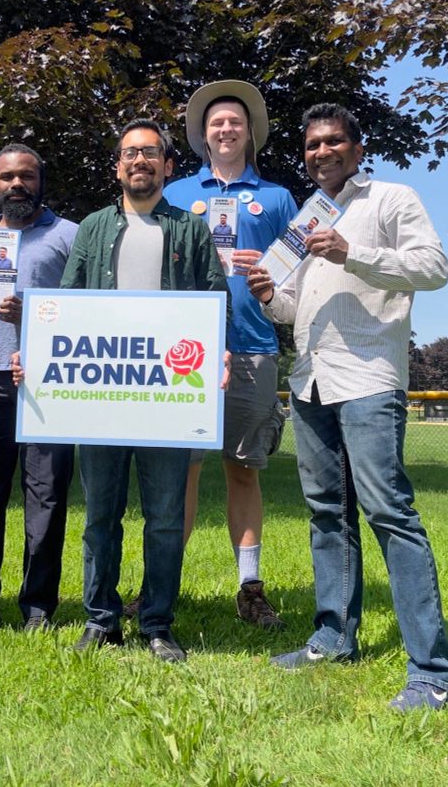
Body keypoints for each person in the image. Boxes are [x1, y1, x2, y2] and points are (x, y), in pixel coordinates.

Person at [247, 103, 448, 712]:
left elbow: (434, 268)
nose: (321, 152)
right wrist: (269, 296)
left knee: (389, 513)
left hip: (368, 377)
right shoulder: (309, 215)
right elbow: (297, 308)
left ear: (357, 149)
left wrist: (352, 253)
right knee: (326, 514)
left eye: (333, 141)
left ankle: (432, 671)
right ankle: (333, 637)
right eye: (312, 144)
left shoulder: (392, 199)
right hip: (311, 380)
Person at [57, 119, 230, 662]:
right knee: (100, 515)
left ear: (168, 166)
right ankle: (101, 618)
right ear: (118, 165)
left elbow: (213, 301)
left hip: (167, 398)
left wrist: (219, 351)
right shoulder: (92, 228)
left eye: (150, 153)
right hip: (103, 397)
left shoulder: (188, 229)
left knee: (164, 517)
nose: (139, 161)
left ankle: (157, 623)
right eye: (130, 153)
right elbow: (67, 306)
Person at [162, 80, 296, 629]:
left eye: (234, 121)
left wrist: (267, 269)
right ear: (203, 133)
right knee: (182, 471)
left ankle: (250, 587)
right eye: (216, 122)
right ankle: (161, 585)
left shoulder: (278, 197)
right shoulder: (173, 195)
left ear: (249, 131)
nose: (225, 128)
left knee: (243, 470)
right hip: (185, 351)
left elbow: (298, 271)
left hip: (252, 346)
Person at [0, 144, 78, 631]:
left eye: (26, 175)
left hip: (48, 384)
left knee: (46, 498)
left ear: (41, 180)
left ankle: (39, 608)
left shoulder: (69, 236)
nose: (16, 185)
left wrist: (39, 316)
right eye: (6, 177)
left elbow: (91, 310)